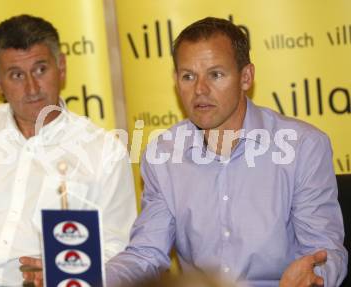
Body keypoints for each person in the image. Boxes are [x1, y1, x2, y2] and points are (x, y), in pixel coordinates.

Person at [105, 17, 347, 287]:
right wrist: (83, 279)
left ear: (246, 77)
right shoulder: (162, 155)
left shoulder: (303, 146)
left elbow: (324, 252)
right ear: (176, 81)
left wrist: (314, 277)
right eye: (188, 76)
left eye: (215, 74)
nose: (200, 89)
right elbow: (146, 254)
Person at [0, 14, 137, 287]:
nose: (31, 88)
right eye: (16, 75)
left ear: (62, 67)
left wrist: (68, 273)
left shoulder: (104, 152)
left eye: (41, 70)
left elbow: (117, 250)